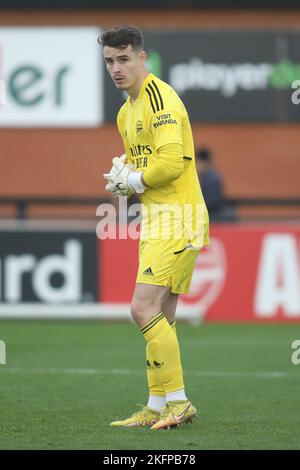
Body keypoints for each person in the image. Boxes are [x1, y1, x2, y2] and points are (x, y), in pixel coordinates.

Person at [99, 25, 209, 430]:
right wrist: (125, 178)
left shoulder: (160, 99)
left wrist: (133, 180)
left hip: (180, 217)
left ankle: (179, 402)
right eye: (110, 61)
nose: (116, 67)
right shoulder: (125, 113)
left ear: (142, 58)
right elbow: (145, 172)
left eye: (124, 58)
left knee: (141, 308)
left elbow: (168, 165)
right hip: (159, 218)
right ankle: (156, 403)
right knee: (161, 312)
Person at [195, 147, 224, 221]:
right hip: (208, 214)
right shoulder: (209, 175)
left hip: (212, 216)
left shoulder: (211, 178)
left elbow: (212, 201)